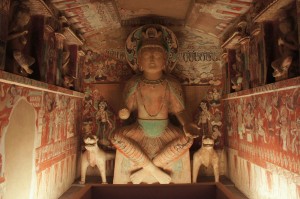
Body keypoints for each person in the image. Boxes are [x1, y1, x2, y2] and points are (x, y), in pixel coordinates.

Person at [111, 26, 199, 184]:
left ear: (165, 60)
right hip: (140, 128)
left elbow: (180, 110)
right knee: (116, 137)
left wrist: (187, 124)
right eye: (147, 56)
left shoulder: (171, 83)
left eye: (157, 56)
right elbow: (126, 109)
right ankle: (154, 169)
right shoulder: (134, 82)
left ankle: (146, 170)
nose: (152, 60)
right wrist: (124, 111)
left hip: (165, 128)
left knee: (187, 139)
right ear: (139, 61)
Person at [7, 2, 35, 74]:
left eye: (28, 19)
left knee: (32, 60)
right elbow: (6, 38)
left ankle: (23, 66)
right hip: (12, 52)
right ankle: (26, 68)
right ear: (19, 16)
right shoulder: (14, 27)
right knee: (17, 53)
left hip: (19, 55)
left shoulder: (22, 30)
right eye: (26, 18)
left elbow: (22, 43)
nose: (27, 21)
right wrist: (21, 34)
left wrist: (22, 37)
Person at [271, 11, 299, 80]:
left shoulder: (291, 35)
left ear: (288, 26)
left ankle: (281, 70)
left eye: (283, 27)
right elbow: (282, 53)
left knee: (277, 63)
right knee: (273, 64)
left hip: (291, 55)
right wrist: (280, 46)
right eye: (281, 28)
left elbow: (297, 47)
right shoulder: (285, 37)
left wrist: (284, 42)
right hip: (285, 57)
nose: (282, 29)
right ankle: (281, 70)